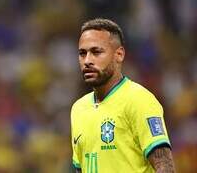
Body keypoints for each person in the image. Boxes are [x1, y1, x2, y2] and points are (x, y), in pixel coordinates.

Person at [71, 18, 175, 173]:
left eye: (96, 52)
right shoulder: (78, 109)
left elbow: (165, 166)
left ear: (119, 55)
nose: (87, 60)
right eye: (82, 53)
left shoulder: (139, 100)